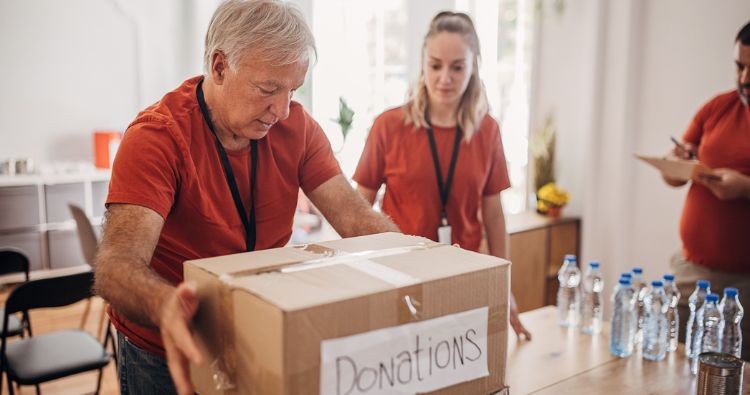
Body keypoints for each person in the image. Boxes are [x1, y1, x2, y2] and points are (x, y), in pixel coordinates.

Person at [93, 1, 398, 394]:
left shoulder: (297, 127)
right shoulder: (158, 137)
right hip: (167, 346)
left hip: (258, 330)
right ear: (219, 67)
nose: (283, 110)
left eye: (292, 90)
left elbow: (356, 219)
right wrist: (164, 303)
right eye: (268, 89)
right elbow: (116, 266)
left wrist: (421, 261)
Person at [353, 11, 531, 340]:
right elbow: (357, 208)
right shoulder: (388, 126)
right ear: (422, 64)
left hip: (464, 279)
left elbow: (493, 214)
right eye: (435, 65)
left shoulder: (487, 131)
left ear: (474, 65)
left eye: (457, 67)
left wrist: (504, 286)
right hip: (398, 278)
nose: (445, 78)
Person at [663, 21, 750, 360]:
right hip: (691, 274)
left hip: (744, 287)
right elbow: (674, 175)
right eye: (739, 67)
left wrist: (745, 188)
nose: (744, 79)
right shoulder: (717, 108)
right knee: (674, 365)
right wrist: (676, 161)